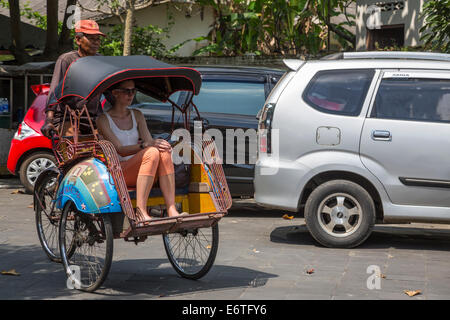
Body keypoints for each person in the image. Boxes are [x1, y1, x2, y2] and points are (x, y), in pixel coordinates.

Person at [96, 79, 186, 224]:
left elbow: (149, 142)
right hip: (119, 171)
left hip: (143, 167)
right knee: (152, 152)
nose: (131, 95)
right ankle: (141, 211)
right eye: (127, 91)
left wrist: (156, 145)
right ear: (115, 93)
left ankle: (171, 208)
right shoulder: (103, 119)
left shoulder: (137, 114)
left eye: (133, 91)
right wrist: (145, 145)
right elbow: (120, 150)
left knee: (163, 150)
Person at [41, 20, 106, 138]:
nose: (96, 43)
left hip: (93, 118)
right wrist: (49, 120)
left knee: (107, 149)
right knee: (75, 149)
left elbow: (110, 90)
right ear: (78, 40)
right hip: (68, 117)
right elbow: (54, 92)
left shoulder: (101, 60)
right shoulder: (67, 60)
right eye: (91, 39)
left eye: (98, 39)